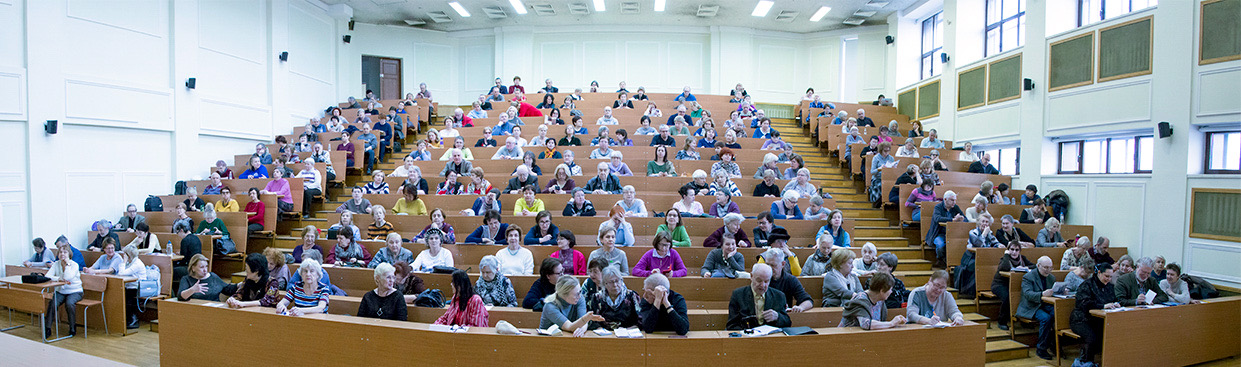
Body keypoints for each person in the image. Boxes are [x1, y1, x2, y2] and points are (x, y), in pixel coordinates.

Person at [1070, 263, 1121, 367]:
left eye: (1111, 277)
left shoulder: (1110, 287)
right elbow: (1083, 304)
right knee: (1091, 337)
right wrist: (1103, 305)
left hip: (1099, 319)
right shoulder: (1087, 285)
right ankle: (1086, 363)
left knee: (1113, 334)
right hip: (1081, 319)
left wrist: (1116, 304)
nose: (1108, 279)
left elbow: (1115, 299)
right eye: (1106, 276)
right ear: (1099, 273)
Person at [726, 264, 790, 330]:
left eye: (766, 281)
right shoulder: (738, 295)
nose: (762, 285)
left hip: (770, 337)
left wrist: (777, 317)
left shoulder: (779, 296)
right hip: (746, 337)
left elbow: (787, 323)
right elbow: (732, 325)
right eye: (759, 281)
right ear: (751, 276)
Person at [1018, 256, 1057, 360]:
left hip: (1045, 304)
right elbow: (1027, 294)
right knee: (1046, 318)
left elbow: (1052, 293)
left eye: (1050, 268)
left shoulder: (1051, 277)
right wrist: (1042, 294)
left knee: (1057, 314)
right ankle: (1041, 348)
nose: (1048, 270)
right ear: (1038, 265)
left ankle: (1054, 344)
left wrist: (1060, 292)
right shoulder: (1028, 277)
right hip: (1031, 306)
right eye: (1046, 267)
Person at [539, 276, 604, 336]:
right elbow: (569, 327)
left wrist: (581, 330)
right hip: (547, 340)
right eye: (576, 294)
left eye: (580, 292)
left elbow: (583, 323)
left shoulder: (579, 298)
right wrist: (586, 319)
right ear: (564, 295)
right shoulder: (550, 306)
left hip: (568, 337)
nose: (579, 296)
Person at [840, 272, 906, 330]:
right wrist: (891, 323)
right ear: (882, 290)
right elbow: (866, 324)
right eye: (890, 289)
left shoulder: (880, 300)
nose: (891, 292)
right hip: (847, 337)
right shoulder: (860, 300)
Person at [991, 241, 1033, 330]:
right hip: (1000, 284)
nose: (1014, 252)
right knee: (1008, 297)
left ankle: (1023, 320)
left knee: (1023, 295)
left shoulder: (1022, 258)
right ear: (1008, 250)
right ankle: (1002, 321)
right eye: (1012, 249)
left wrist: (1026, 268)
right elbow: (1004, 268)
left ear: (1019, 251)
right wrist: (1006, 255)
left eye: (1017, 250)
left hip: (1014, 285)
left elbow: (1035, 266)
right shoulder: (1004, 259)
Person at [44, 244, 84, 336]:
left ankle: (72, 328)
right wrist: (58, 279)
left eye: (65, 252)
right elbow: (47, 276)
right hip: (61, 291)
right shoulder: (56, 264)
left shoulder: (74, 265)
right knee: (53, 303)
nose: (62, 254)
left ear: (69, 254)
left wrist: (68, 264)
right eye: (60, 252)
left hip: (75, 291)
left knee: (69, 303)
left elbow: (68, 277)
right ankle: (47, 328)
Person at [759, 248, 813, 312]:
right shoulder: (760, 279)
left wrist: (801, 307)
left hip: (783, 317)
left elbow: (807, 301)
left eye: (773, 265)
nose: (770, 268)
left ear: (783, 264)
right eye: (767, 264)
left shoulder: (790, 279)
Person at [927, 190, 966, 263]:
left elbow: (965, 218)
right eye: (952, 200)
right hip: (939, 233)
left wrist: (961, 219)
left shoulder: (955, 207)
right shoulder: (938, 207)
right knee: (940, 245)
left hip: (953, 234)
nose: (954, 202)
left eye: (955, 200)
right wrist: (952, 220)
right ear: (945, 199)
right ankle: (941, 260)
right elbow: (937, 218)